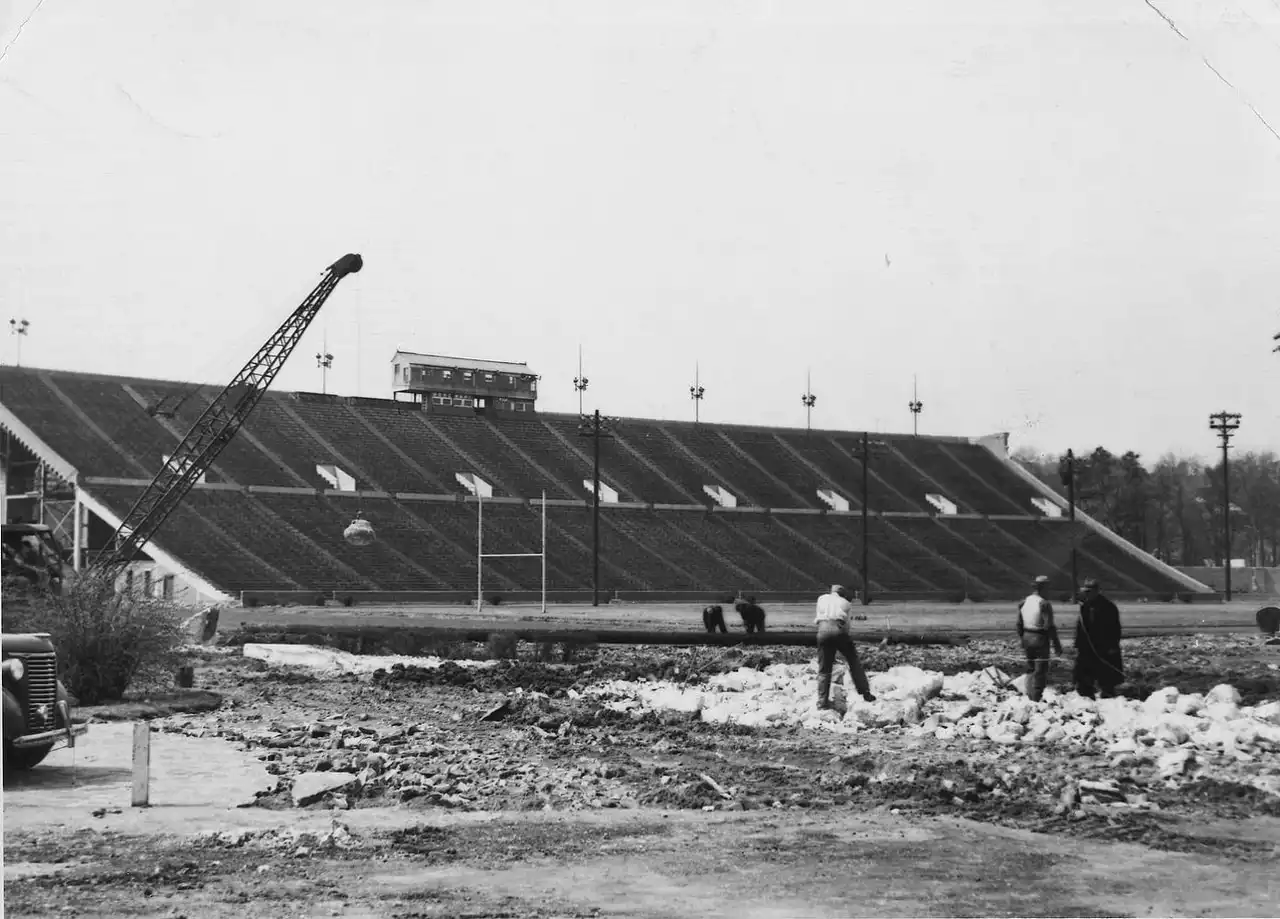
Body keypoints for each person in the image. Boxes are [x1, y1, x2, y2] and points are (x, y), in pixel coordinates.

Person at [815, 584, 876, 710]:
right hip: (838, 628)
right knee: (853, 661)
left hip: (822, 630)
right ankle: (865, 693)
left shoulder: (821, 598)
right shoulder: (846, 603)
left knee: (824, 669)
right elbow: (847, 626)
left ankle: (822, 703)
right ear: (842, 594)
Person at [1074, 578, 1124, 698]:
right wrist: (1078, 644)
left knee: (1106, 675)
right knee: (1085, 675)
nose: (1087, 594)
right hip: (1087, 648)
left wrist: (1112, 646)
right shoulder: (1084, 607)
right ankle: (1086, 697)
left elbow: (1115, 628)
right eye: (1085, 592)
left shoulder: (1108, 607)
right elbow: (1081, 628)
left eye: (1089, 592)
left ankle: (1108, 697)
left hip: (1104, 647)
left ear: (1096, 591)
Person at [1016, 575, 1062, 702]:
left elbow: (1019, 624)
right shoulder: (1044, 604)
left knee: (1031, 668)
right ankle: (1036, 697)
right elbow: (1049, 626)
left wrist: (1023, 639)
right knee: (1040, 670)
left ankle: (1029, 694)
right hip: (1039, 638)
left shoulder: (1024, 602)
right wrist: (1056, 644)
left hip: (1026, 637)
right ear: (1043, 588)